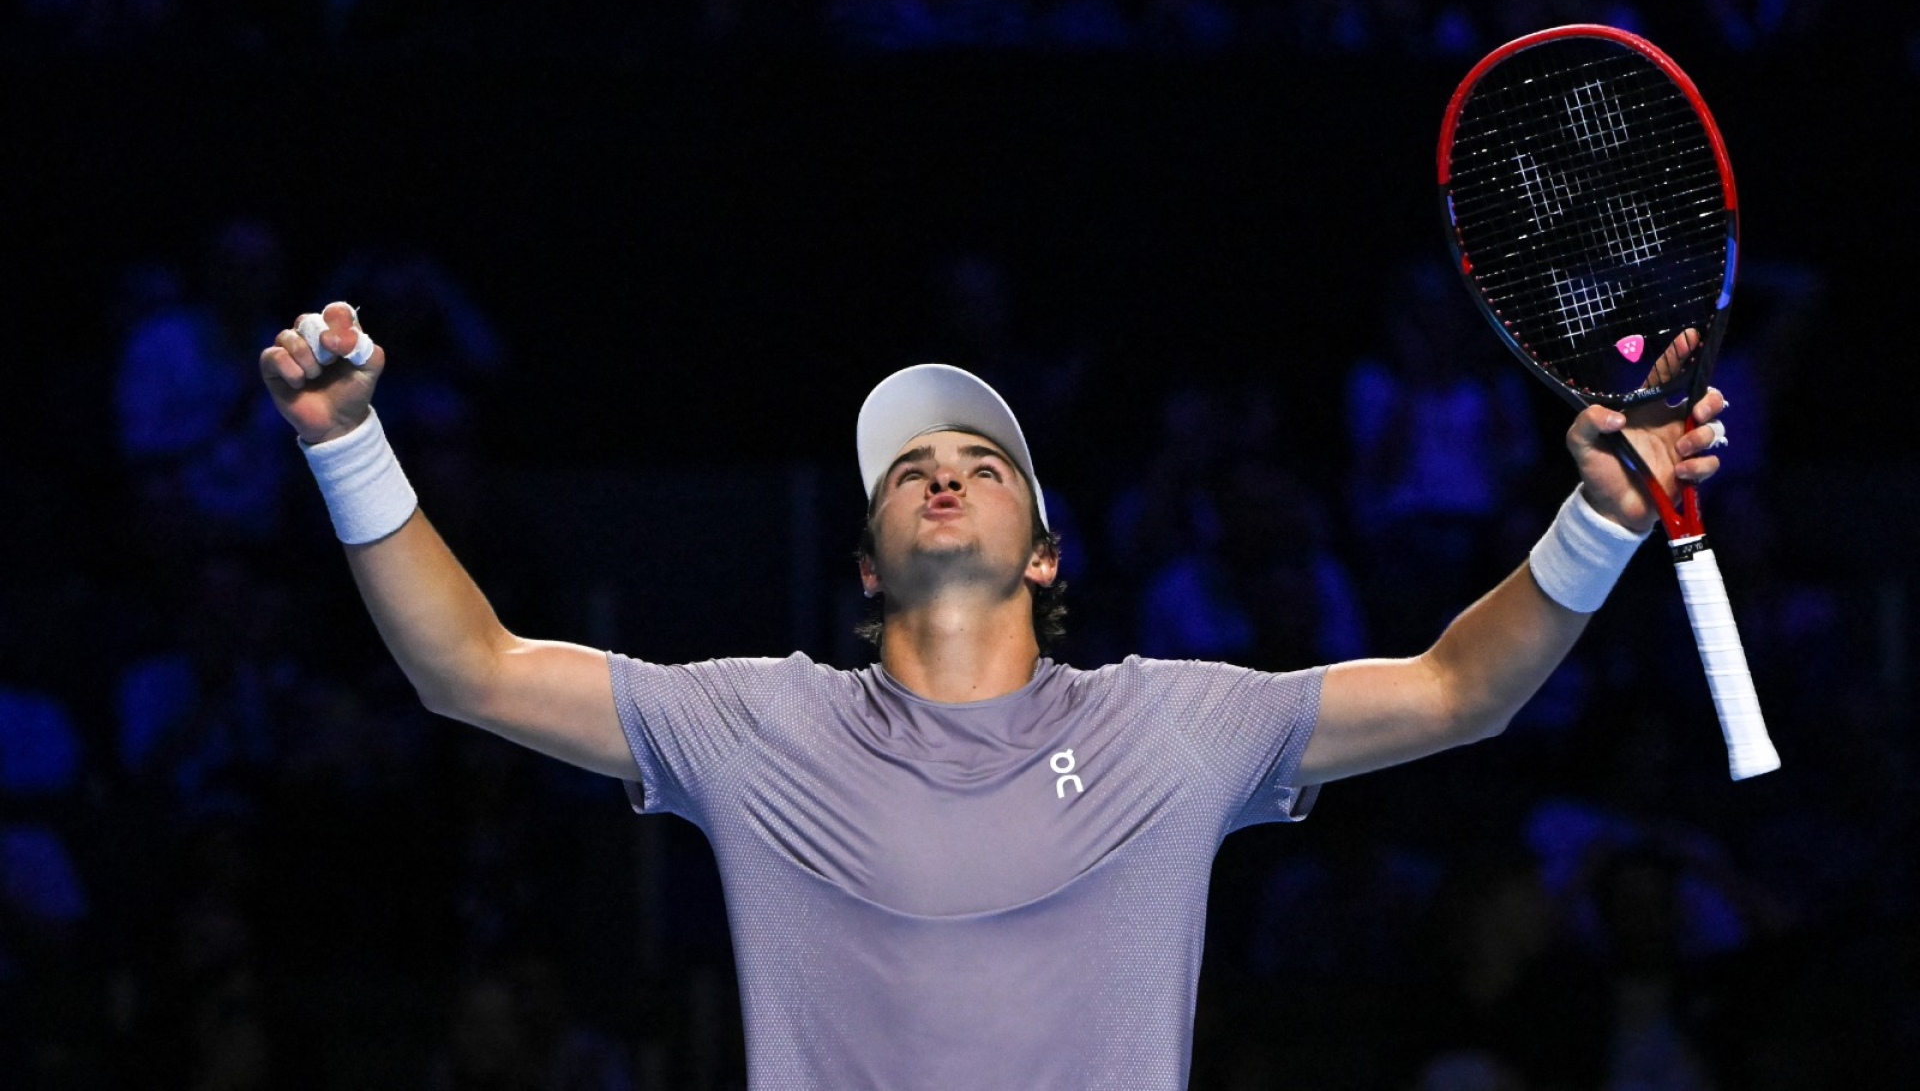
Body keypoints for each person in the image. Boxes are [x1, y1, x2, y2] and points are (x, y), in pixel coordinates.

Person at [256, 303, 1730, 1089]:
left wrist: (1598, 516)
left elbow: (1461, 687)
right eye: (909, 465)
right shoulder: (761, 725)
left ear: (1042, 552)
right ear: (865, 564)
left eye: (982, 460)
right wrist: (346, 444)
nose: (942, 467)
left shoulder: (1171, 723)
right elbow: (473, 668)